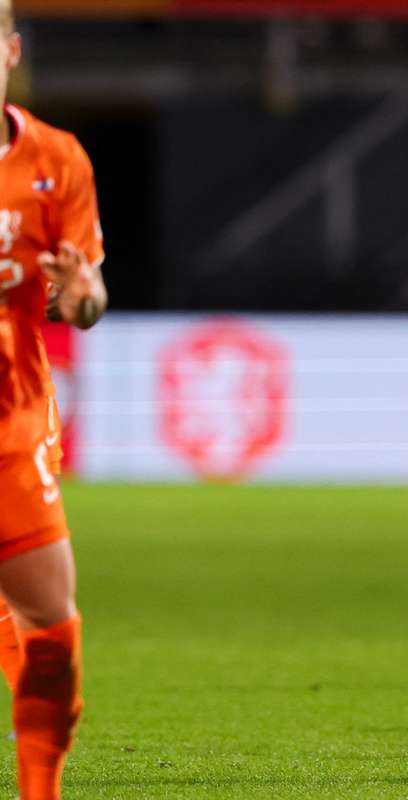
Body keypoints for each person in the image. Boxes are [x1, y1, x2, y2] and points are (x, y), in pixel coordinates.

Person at [0, 1, 109, 796]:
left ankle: (40, 791)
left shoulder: (56, 159)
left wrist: (78, 295)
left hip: (11, 421)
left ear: (9, 52)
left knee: (49, 627)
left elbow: (89, 298)